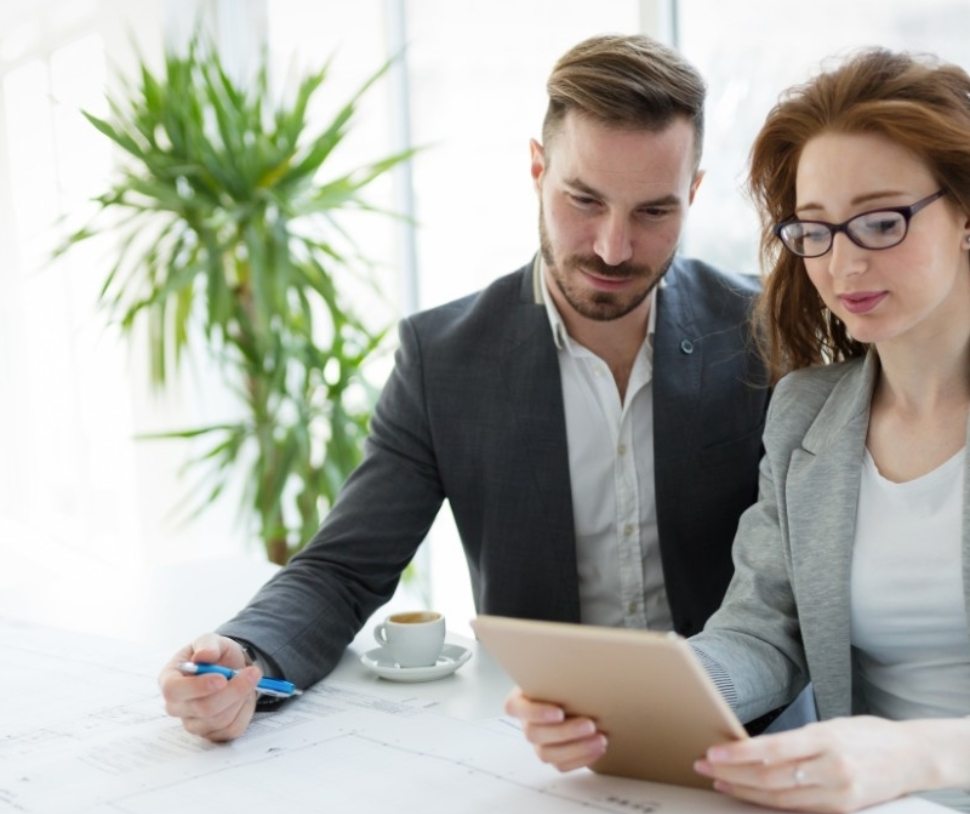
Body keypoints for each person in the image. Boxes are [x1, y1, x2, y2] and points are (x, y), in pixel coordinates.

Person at [159, 34, 769, 742]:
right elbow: (344, 569)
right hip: (545, 750)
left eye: (654, 212)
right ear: (537, 170)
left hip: (746, 733)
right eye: (583, 200)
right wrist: (247, 652)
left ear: (692, 194)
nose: (612, 246)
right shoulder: (443, 361)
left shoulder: (760, 331)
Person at [508, 47, 970, 814]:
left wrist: (922, 752)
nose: (844, 263)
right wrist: (629, 700)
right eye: (814, 230)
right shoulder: (808, 417)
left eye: (882, 221)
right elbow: (763, 631)